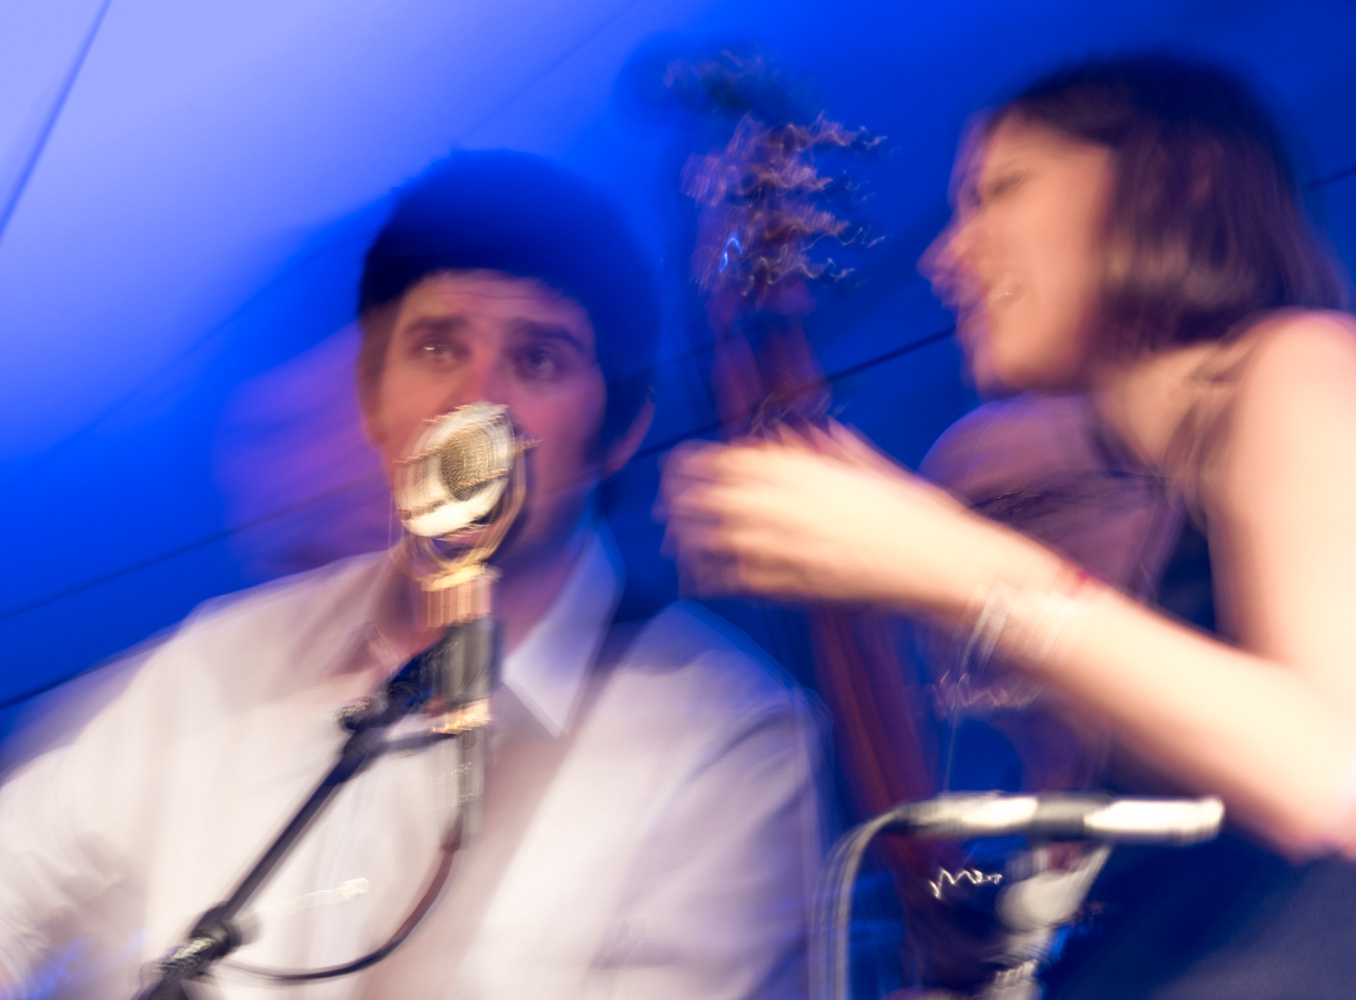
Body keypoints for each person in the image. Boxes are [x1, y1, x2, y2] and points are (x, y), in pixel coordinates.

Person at [662, 55, 1356, 997]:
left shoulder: (1310, 360)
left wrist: (943, 560)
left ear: (1176, 183)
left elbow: (1333, 775)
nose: (945, 258)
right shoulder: (1174, 502)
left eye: (1000, 190)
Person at [0, 151, 823, 999]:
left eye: (538, 360)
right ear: (372, 397)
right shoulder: (224, 663)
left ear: (618, 435)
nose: (474, 407)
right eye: (435, 348)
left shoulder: (726, 737)